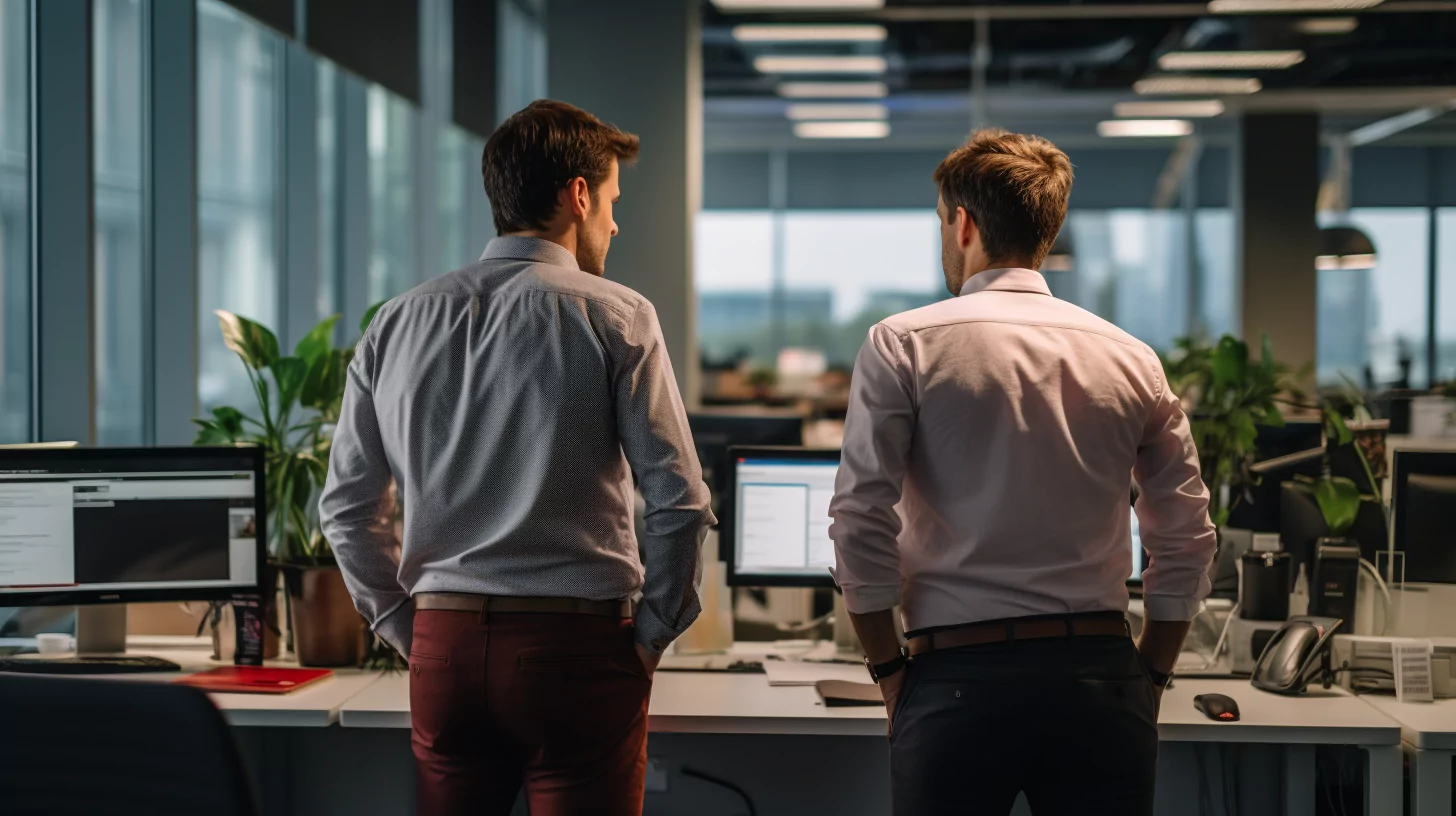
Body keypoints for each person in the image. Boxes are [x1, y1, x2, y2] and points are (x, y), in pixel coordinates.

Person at [320, 99, 714, 816]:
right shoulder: (615, 314)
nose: (615, 224)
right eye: (613, 202)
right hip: (575, 650)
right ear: (579, 194)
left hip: (442, 646)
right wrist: (652, 636)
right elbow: (681, 502)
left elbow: (346, 509)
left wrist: (404, 628)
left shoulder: (397, 322)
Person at [828, 129, 1217, 816]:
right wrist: (1149, 674)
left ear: (964, 224)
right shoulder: (1131, 358)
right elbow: (1187, 537)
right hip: (1100, 680)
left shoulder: (904, 344)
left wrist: (890, 674)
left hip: (956, 681)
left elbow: (860, 522)